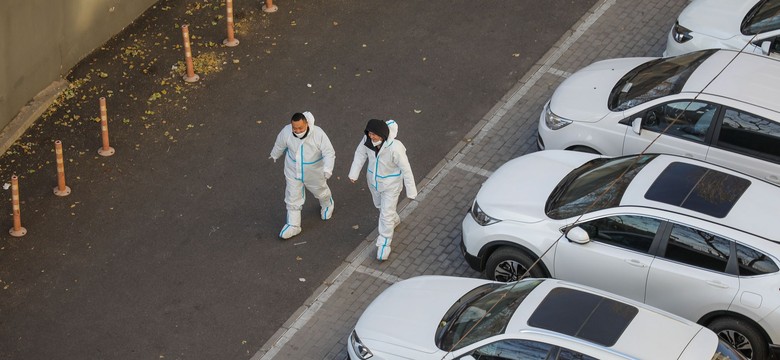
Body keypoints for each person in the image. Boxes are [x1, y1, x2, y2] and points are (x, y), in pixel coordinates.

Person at [348, 119, 417, 261]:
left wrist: (411, 191)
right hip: (373, 183)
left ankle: (384, 244)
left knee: (385, 214)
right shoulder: (366, 141)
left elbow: (406, 169)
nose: (371, 137)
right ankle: (393, 220)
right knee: (380, 206)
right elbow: (360, 154)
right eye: (369, 133)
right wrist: (354, 173)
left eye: (374, 134)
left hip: (391, 186)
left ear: (382, 134)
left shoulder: (395, 148)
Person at [269, 111, 335, 239]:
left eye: (300, 128)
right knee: (292, 195)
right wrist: (274, 154)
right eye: (295, 128)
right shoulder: (286, 132)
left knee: (320, 190)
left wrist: (327, 169)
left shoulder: (318, 133)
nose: (297, 131)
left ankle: (327, 203)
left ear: (307, 124)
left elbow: (328, 152)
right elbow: (280, 144)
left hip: (314, 171)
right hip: (293, 170)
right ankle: (293, 225)